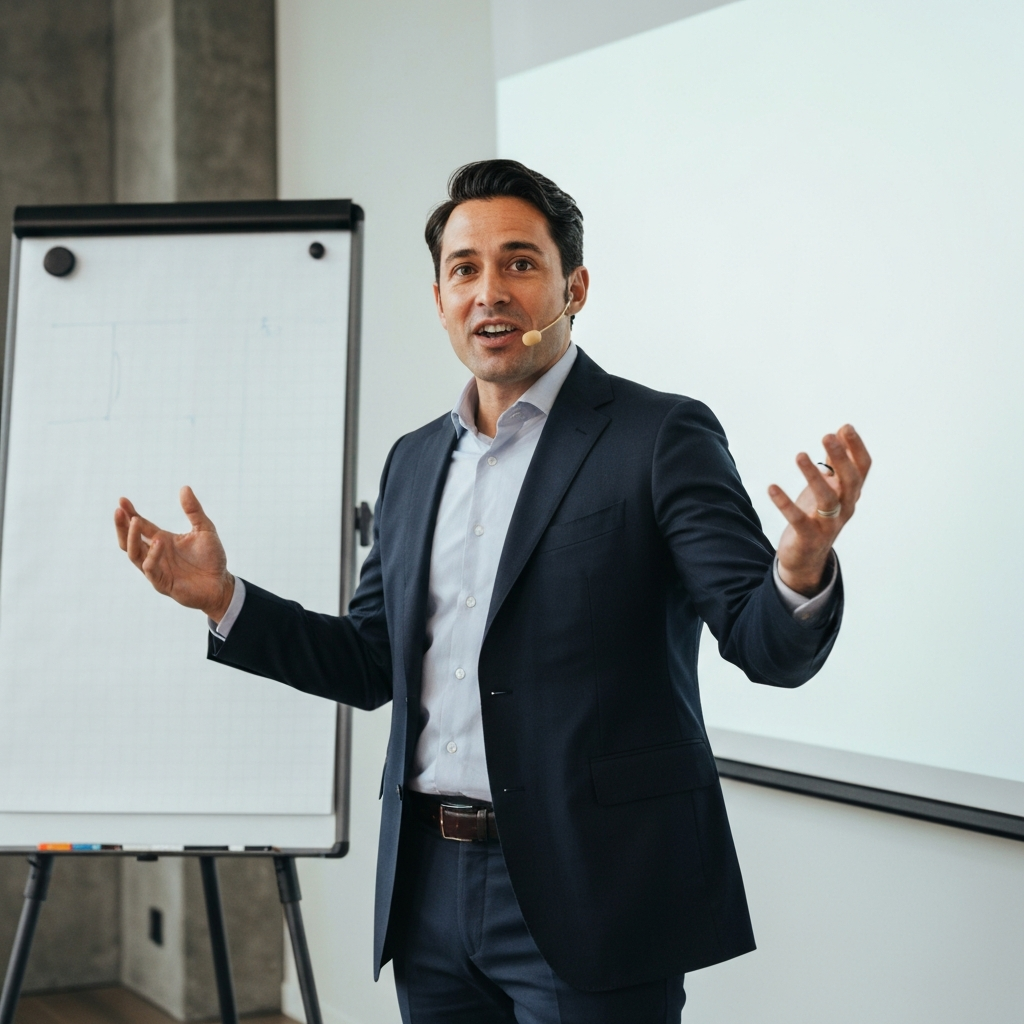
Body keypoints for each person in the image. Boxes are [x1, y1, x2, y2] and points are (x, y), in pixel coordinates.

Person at [114, 160, 870, 1023]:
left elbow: (762, 640)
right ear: (438, 297)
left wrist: (799, 568)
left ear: (573, 285)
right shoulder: (411, 462)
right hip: (429, 888)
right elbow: (371, 664)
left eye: (519, 262)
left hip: (598, 884)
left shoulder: (659, 435)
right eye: (465, 269)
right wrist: (225, 600)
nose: (490, 291)